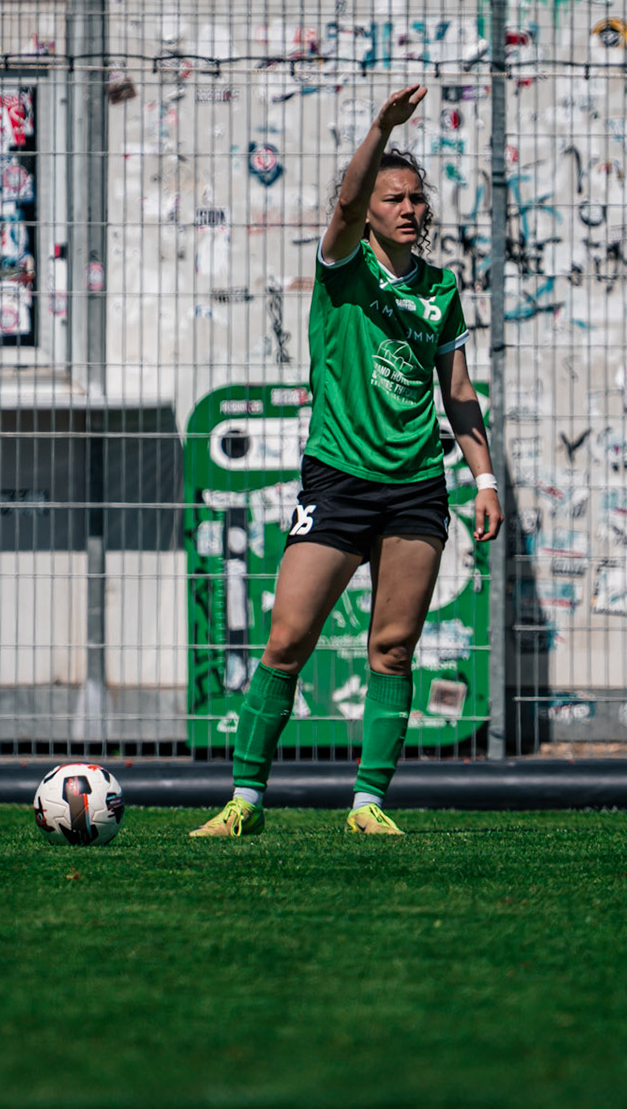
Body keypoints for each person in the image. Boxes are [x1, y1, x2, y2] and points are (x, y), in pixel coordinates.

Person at [191, 86, 504, 838]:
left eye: (417, 199)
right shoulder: (342, 266)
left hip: (416, 491)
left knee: (393, 649)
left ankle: (368, 806)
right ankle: (244, 801)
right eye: (393, 197)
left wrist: (483, 477)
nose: (409, 209)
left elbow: (456, 392)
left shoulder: (442, 290)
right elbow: (341, 210)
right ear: (366, 207)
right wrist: (380, 130)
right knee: (288, 640)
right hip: (337, 482)